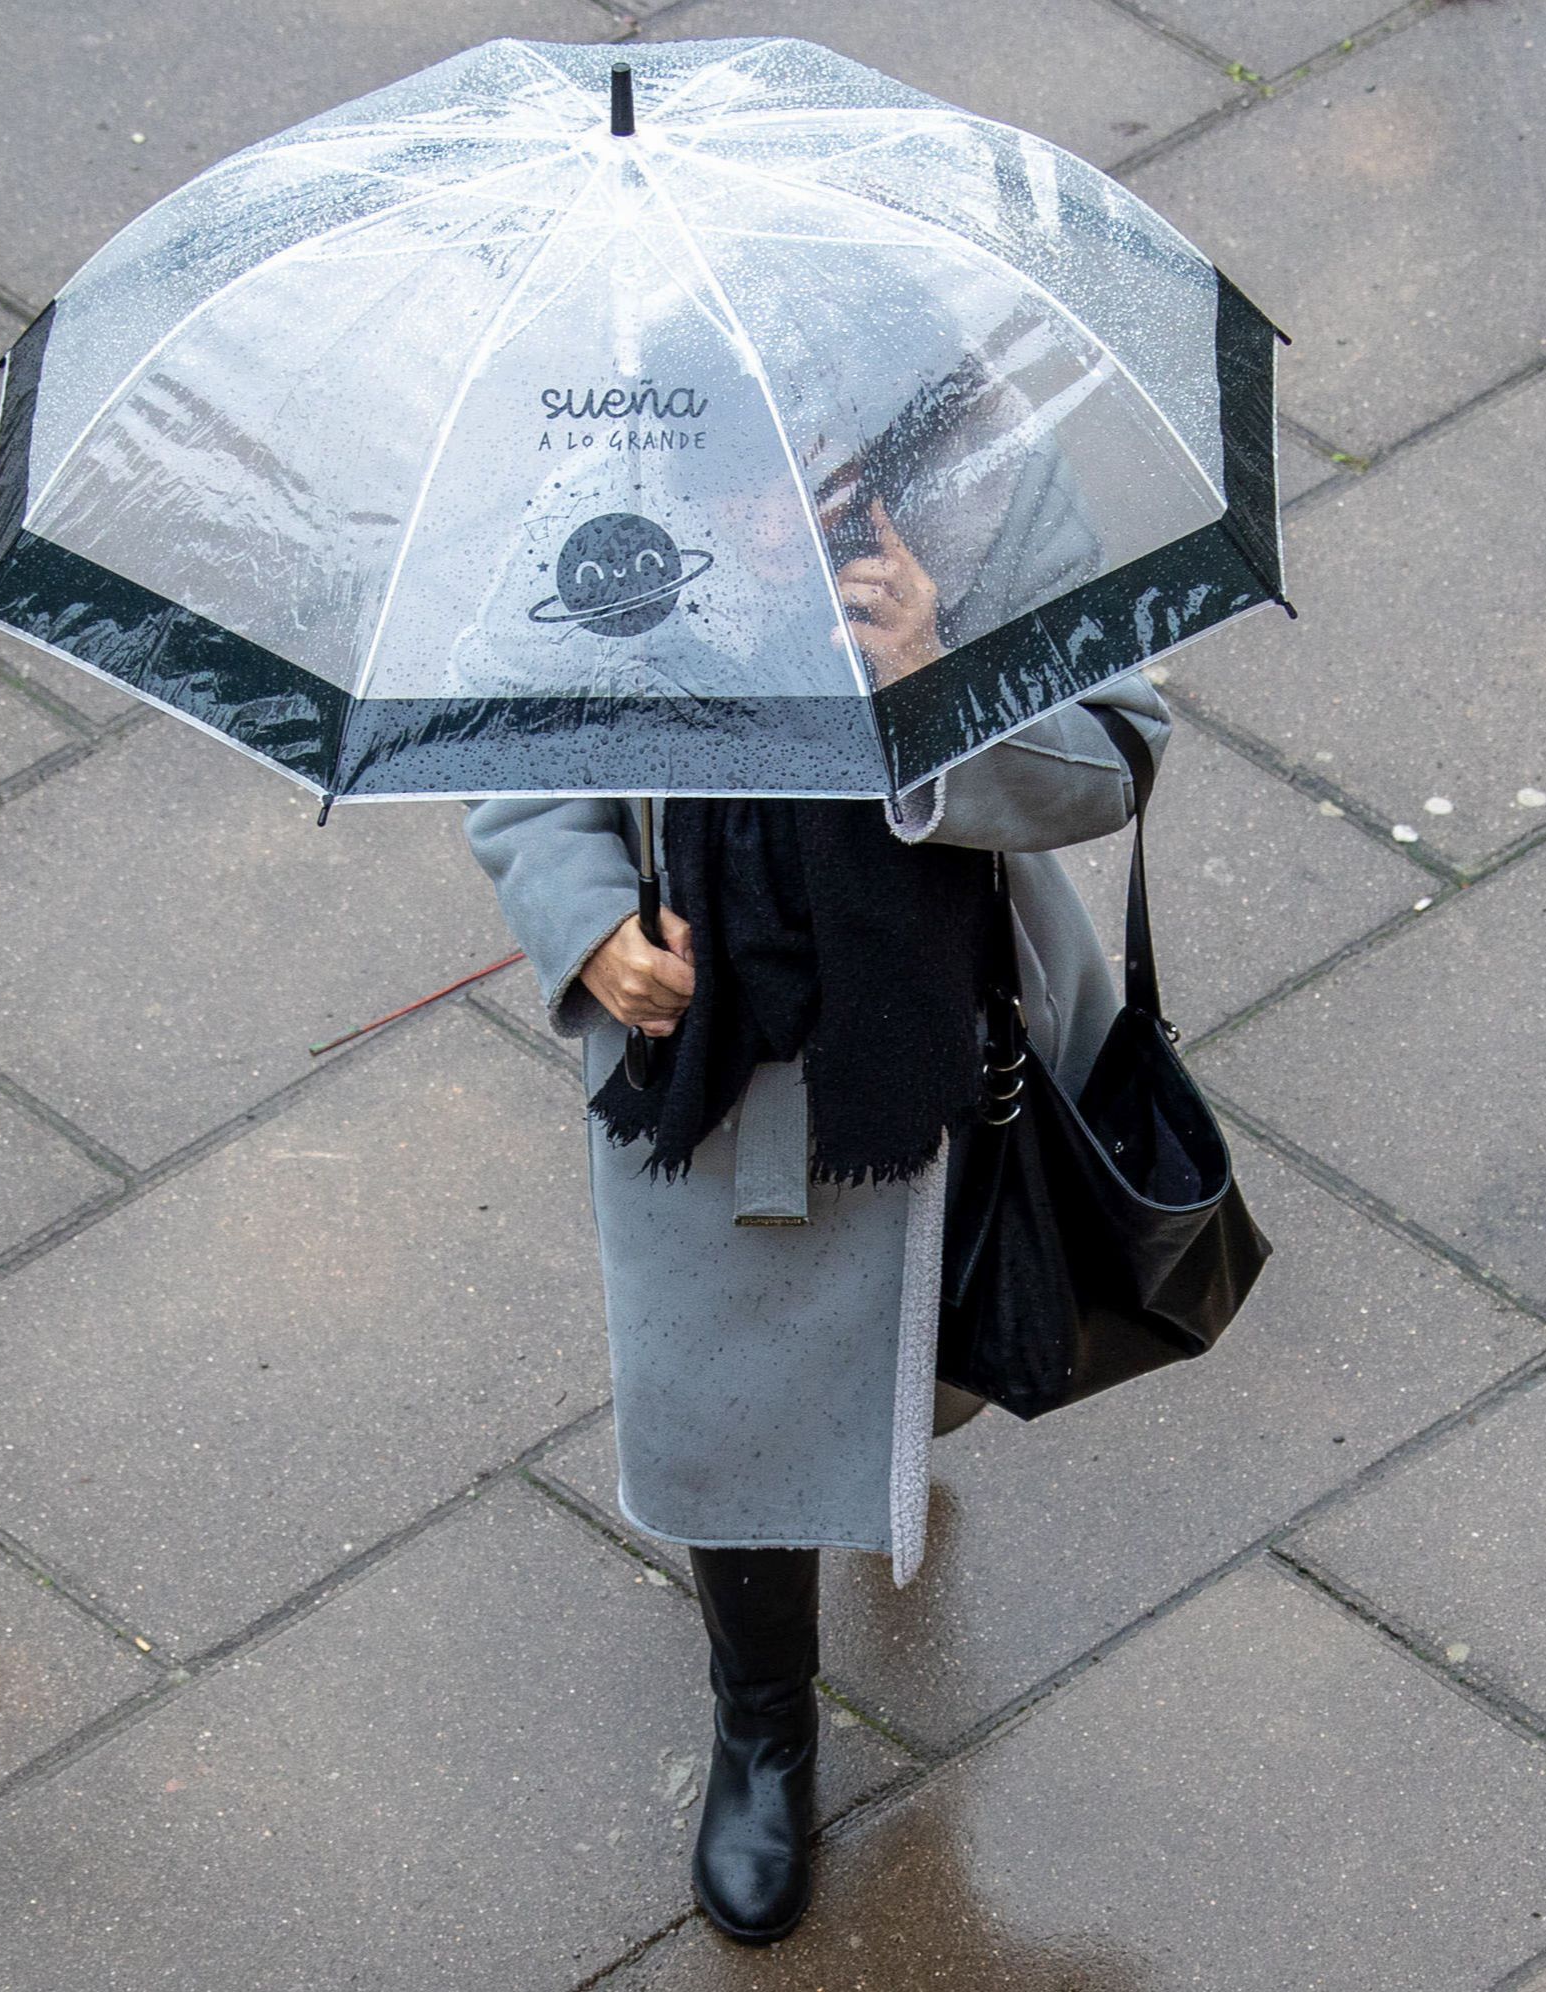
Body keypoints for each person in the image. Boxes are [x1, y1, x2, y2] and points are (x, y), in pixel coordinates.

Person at [462, 478, 1161, 1946]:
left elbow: (1111, 759)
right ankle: (763, 1717)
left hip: (945, 1050)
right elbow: (522, 745)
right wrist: (587, 923)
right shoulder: (614, 468)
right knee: (732, 1407)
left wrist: (934, 685)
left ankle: (891, 1437)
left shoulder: (987, 484)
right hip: (716, 1071)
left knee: (938, 1361)